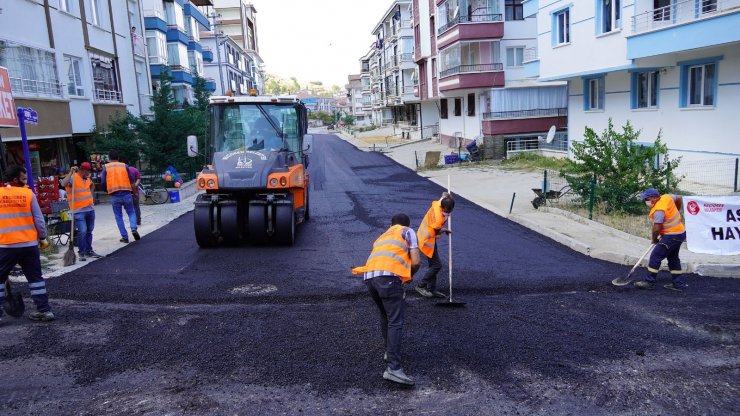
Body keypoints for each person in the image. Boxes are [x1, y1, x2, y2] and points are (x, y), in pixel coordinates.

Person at [352, 213, 421, 386]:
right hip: (388, 279)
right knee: (395, 321)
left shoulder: (382, 236)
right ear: (406, 223)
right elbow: (416, 262)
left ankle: (389, 352)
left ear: (391, 225)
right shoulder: (407, 231)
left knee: (385, 315)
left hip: (370, 277)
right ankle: (393, 369)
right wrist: (409, 277)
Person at [0, 165, 55, 321]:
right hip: (28, 245)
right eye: (24, 178)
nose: (26, 180)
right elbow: (38, 219)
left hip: (6, 245)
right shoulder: (28, 194)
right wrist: (43, 236)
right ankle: (44, 310)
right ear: (16, 179)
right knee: (35, 278)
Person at [634, 188, 687, 291]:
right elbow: (679, 198)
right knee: (673, 258)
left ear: (654, 198)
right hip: (680, 233)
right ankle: (678, 284)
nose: (646, 201)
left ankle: (649, 282)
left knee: (655, 256)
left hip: (671, 236)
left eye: (647, 198)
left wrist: (654, 239)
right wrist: (677, 209)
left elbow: (657, 228)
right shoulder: (667, 197)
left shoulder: (659, 210)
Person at [415, 192, 455, 299]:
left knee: (433, 265)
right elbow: (437, 231)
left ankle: (431, 288)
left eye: (452, 209)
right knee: (437, 265)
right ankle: (421, 285)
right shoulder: (438, 219)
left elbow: (444, 194)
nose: (450, 211)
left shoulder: (439, 202)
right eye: (448, 210)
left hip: (425, 236)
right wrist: (444, 230)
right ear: (443, 207)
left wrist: (448, 195)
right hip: (427, 240)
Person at [61, 162, 102, 261]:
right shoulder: (73, 178)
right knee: (82, 231)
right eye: (88, 171)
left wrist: (90, 196)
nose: (89, 173)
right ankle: (82, 252)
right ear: (83, 170)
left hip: (90, 209)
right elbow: (63, 184)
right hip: (78, 210)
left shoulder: (87, 178)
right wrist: (70, 172)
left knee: (89, 231)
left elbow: (92, 185)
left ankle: (89, 250)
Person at [101, 150, 139, 243]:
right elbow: (132, 181)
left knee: (118, 216)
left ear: (109, 158)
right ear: (118, 158)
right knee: (131, 212)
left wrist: (107, 190)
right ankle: (133, 228)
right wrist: (135, 193)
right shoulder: (124, 166)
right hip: (126, 193)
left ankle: (125, 237)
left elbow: (102, 182)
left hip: (114, 195)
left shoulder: (105, 167)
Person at [123, 160, 142, 226]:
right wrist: (135, 185)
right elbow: (139, 178)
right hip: (135, 191)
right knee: (136, 206)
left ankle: (133, 223)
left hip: (126, 192)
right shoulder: (135, 169)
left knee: (130, 208)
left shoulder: (122, 171)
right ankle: (138, 221)